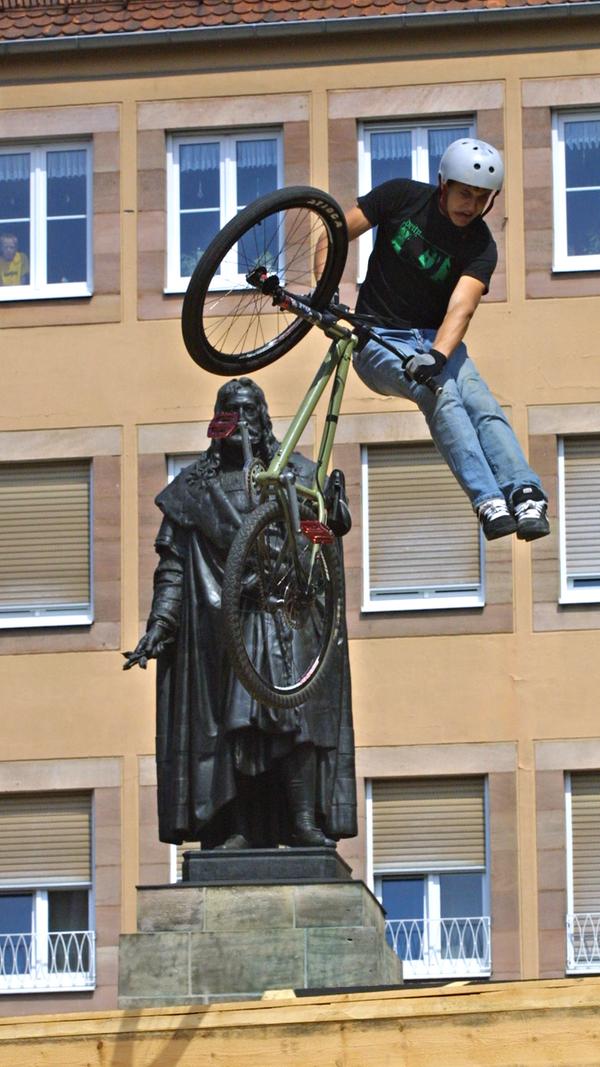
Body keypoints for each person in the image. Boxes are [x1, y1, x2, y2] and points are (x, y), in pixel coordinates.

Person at [124, 377, 357, 851]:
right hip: (223, 626)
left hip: (286, 618)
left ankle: (303, 821)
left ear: (264, 419)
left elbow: (318, 539)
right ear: (217, 420)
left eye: (250, 411)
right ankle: (232, 828)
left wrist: (332, 517)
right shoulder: (193, 489)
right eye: (231, 410)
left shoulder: (293, 472)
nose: (241, 421)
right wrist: (160, 625)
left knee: (296, 724)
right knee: (233, 726)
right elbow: (173, 566)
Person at [346, 137, 549, 542]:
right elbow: (334, 231)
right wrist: (325, 288)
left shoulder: (480, 245)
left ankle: (525, 493)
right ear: (444, 185)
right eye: (464, 193)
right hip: (378, 338)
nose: (470, 206)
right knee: (439, 392)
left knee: (479, 401)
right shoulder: (401, 196)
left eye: (480, 198)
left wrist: (439, 352)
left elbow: (463, 304)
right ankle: (488, 499)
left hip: (434, 340)